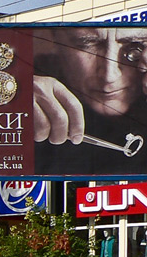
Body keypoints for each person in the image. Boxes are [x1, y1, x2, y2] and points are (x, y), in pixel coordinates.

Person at [33, 26, 147, 176]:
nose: (109, 75)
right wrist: (6, 100)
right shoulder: (21, 79)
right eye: (86, 44)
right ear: (54, 37)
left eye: (135, 46)